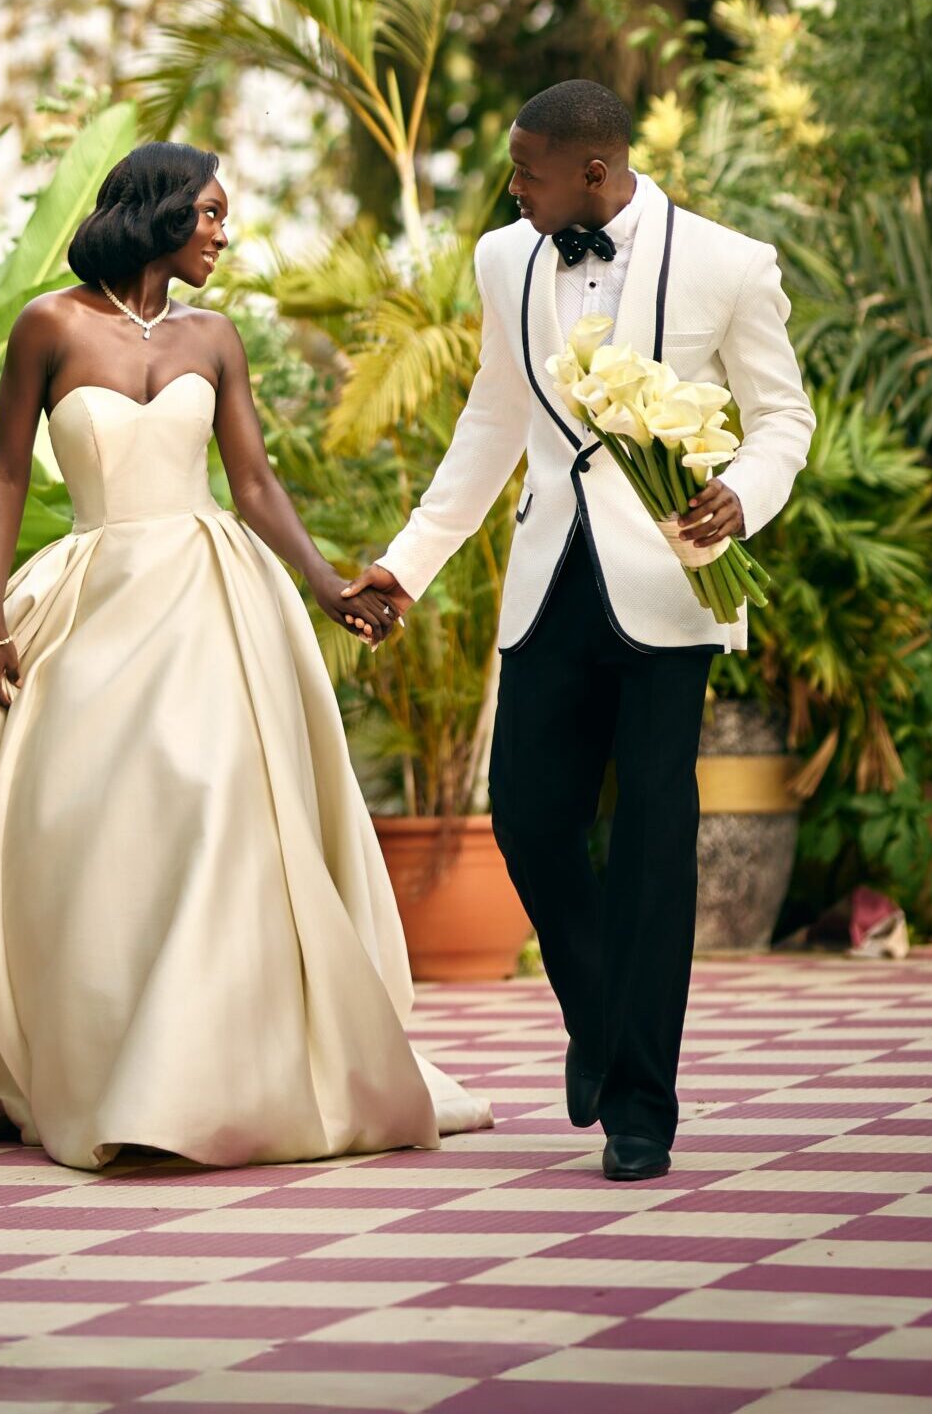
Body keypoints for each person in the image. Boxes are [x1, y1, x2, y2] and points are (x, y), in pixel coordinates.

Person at [0, 141, 492, 1169]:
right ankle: (97, 1059)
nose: (221, 231)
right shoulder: (48, 325)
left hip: (212, 596)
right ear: (156, 211)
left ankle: (198, 1078)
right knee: (93, 831)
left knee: (212, 805)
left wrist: (326, 584)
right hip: (92, 598)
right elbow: (4, 478)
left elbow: (251, 483)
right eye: (207, 212)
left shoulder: (215, 338)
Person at [345, 81, 814, 1181]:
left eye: (527, 172)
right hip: (548, 577)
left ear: (592, 174)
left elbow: (782, 415)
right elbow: (492, 423)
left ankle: (640, 1104)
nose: (512, 189)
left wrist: (742, 492)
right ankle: (597, 1017)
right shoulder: (507, 259)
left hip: (673, 588)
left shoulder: (727, 263)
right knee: (525, 815)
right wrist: (406, 564)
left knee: (653, 841)